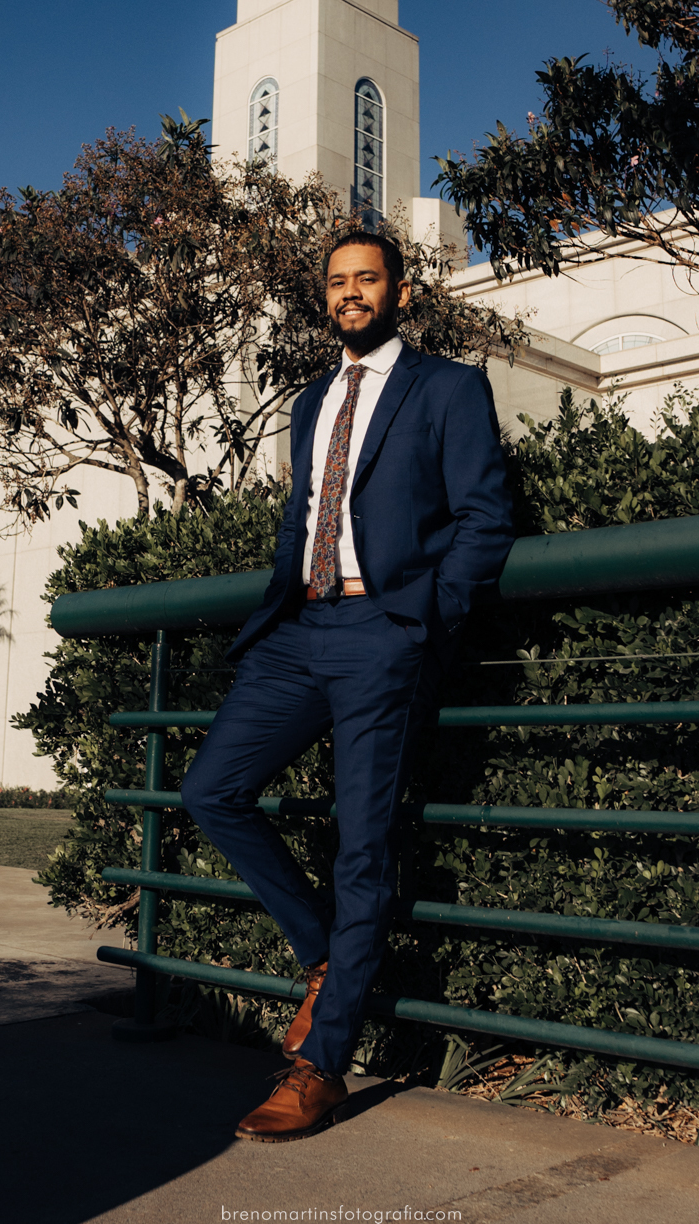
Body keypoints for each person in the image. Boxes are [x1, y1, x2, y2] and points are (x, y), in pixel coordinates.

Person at [181, 231, 515, 1144]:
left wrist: (425, 617)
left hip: (385, 633)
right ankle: (329, 954)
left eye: (367, 278)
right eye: (337, 283)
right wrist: (275, 611)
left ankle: (318, 1069)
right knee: (212, 790)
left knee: (362, 850)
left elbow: (486, 515)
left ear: (399, 291)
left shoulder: (447, 387)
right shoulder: (310, 400)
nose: (351, 294)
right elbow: (302, 517)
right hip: (301, 631)